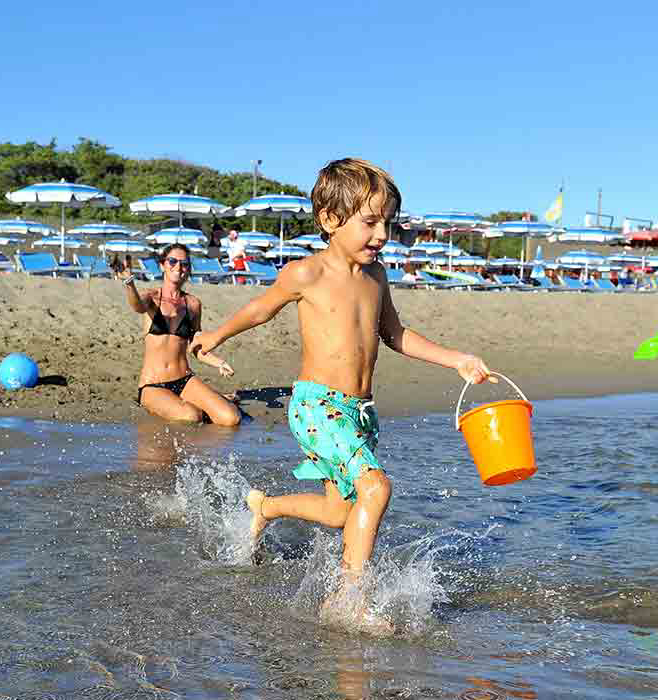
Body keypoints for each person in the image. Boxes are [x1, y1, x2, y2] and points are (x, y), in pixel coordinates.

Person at [190, 158, 492, 620]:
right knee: (376, 488)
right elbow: (259, 310)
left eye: (387, 223)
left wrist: (457, 359)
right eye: (370, 222)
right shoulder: (306, 273)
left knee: (339, 512)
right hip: (317, 407)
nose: (382, 235)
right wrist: (216, 335)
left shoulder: (377, 277)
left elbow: (395, 334)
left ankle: (265, 508)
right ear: (331, 219)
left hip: (359, 413)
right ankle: (350, 597)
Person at [122, 244, 241, 426]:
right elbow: (137, 305)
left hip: (185, 380)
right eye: (172, 261)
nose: (178, 267)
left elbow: (196, 346)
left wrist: (219, 363)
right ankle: (193, 405)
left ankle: (209, 401)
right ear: (162, 265)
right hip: (153, 385)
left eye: (184, 263)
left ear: (188, 269)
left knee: (231, 418)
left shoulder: (193, 304)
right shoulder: (152, 297)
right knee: (191, 416)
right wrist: (129, 284)